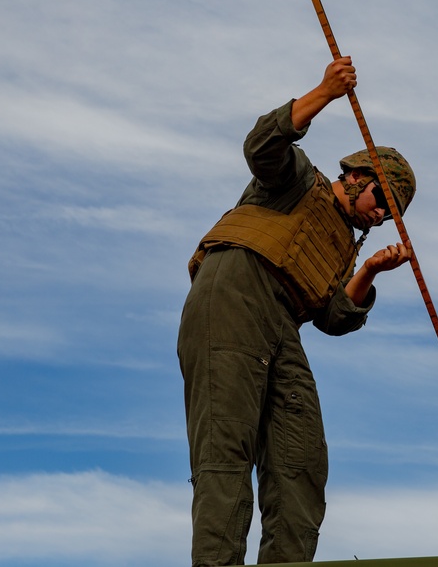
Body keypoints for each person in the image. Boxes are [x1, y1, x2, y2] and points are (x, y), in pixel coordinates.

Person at [177, 56, 416, 566]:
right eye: (382, 197)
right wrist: (326, 91)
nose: (381, 213)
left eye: (391, 213)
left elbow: (333, 317)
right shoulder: (296, 180)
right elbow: (261, 146)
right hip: (234, 296)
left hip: (279, 327)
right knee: (227, 448)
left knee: (301, 457)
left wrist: (370, 270)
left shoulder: (344, 245)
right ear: (355, 175)